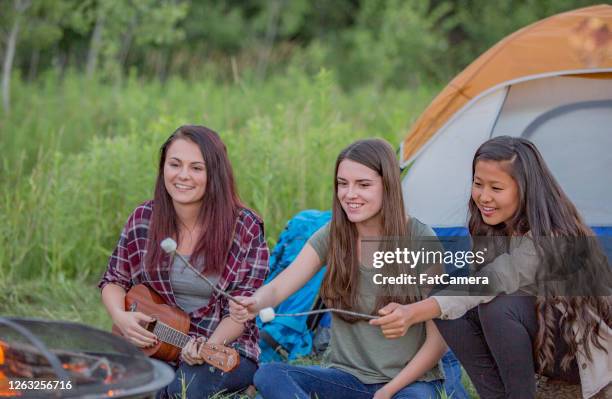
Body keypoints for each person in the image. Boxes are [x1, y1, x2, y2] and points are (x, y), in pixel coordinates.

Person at [371, 136, 611, 399]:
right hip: (545, 345)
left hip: (581, 356)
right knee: (449, 294)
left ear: (525, 189)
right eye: (477, 184)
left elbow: (494, 280)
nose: (483, 197)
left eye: (496, 188)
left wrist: (413, 312)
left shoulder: (553, 236)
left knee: (499, 306)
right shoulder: (493, 227)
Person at [230, 138, 446, 399]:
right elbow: (280, 286)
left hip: (408, 384)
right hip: (347, 379)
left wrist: (387, 392)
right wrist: (254, 301)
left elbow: (439, 340)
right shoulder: (333, 234)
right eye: (342, 184)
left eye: (363, 184)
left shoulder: (420, 240)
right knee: (270, 374)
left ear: (388, 186)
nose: (349, 194)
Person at [99, 125, 269, 398]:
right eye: (174, 164)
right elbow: (114, 280)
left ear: (214, 174)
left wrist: (205, 348)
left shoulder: (244, 226)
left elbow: (240, 312)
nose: (183, 176)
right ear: (163, 167)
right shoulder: (144, 217)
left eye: (196, 168)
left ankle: (238, 383)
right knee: (122, 386)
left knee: (183, 390)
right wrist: (121, 317)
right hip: (154, 344)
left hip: (223, 347)